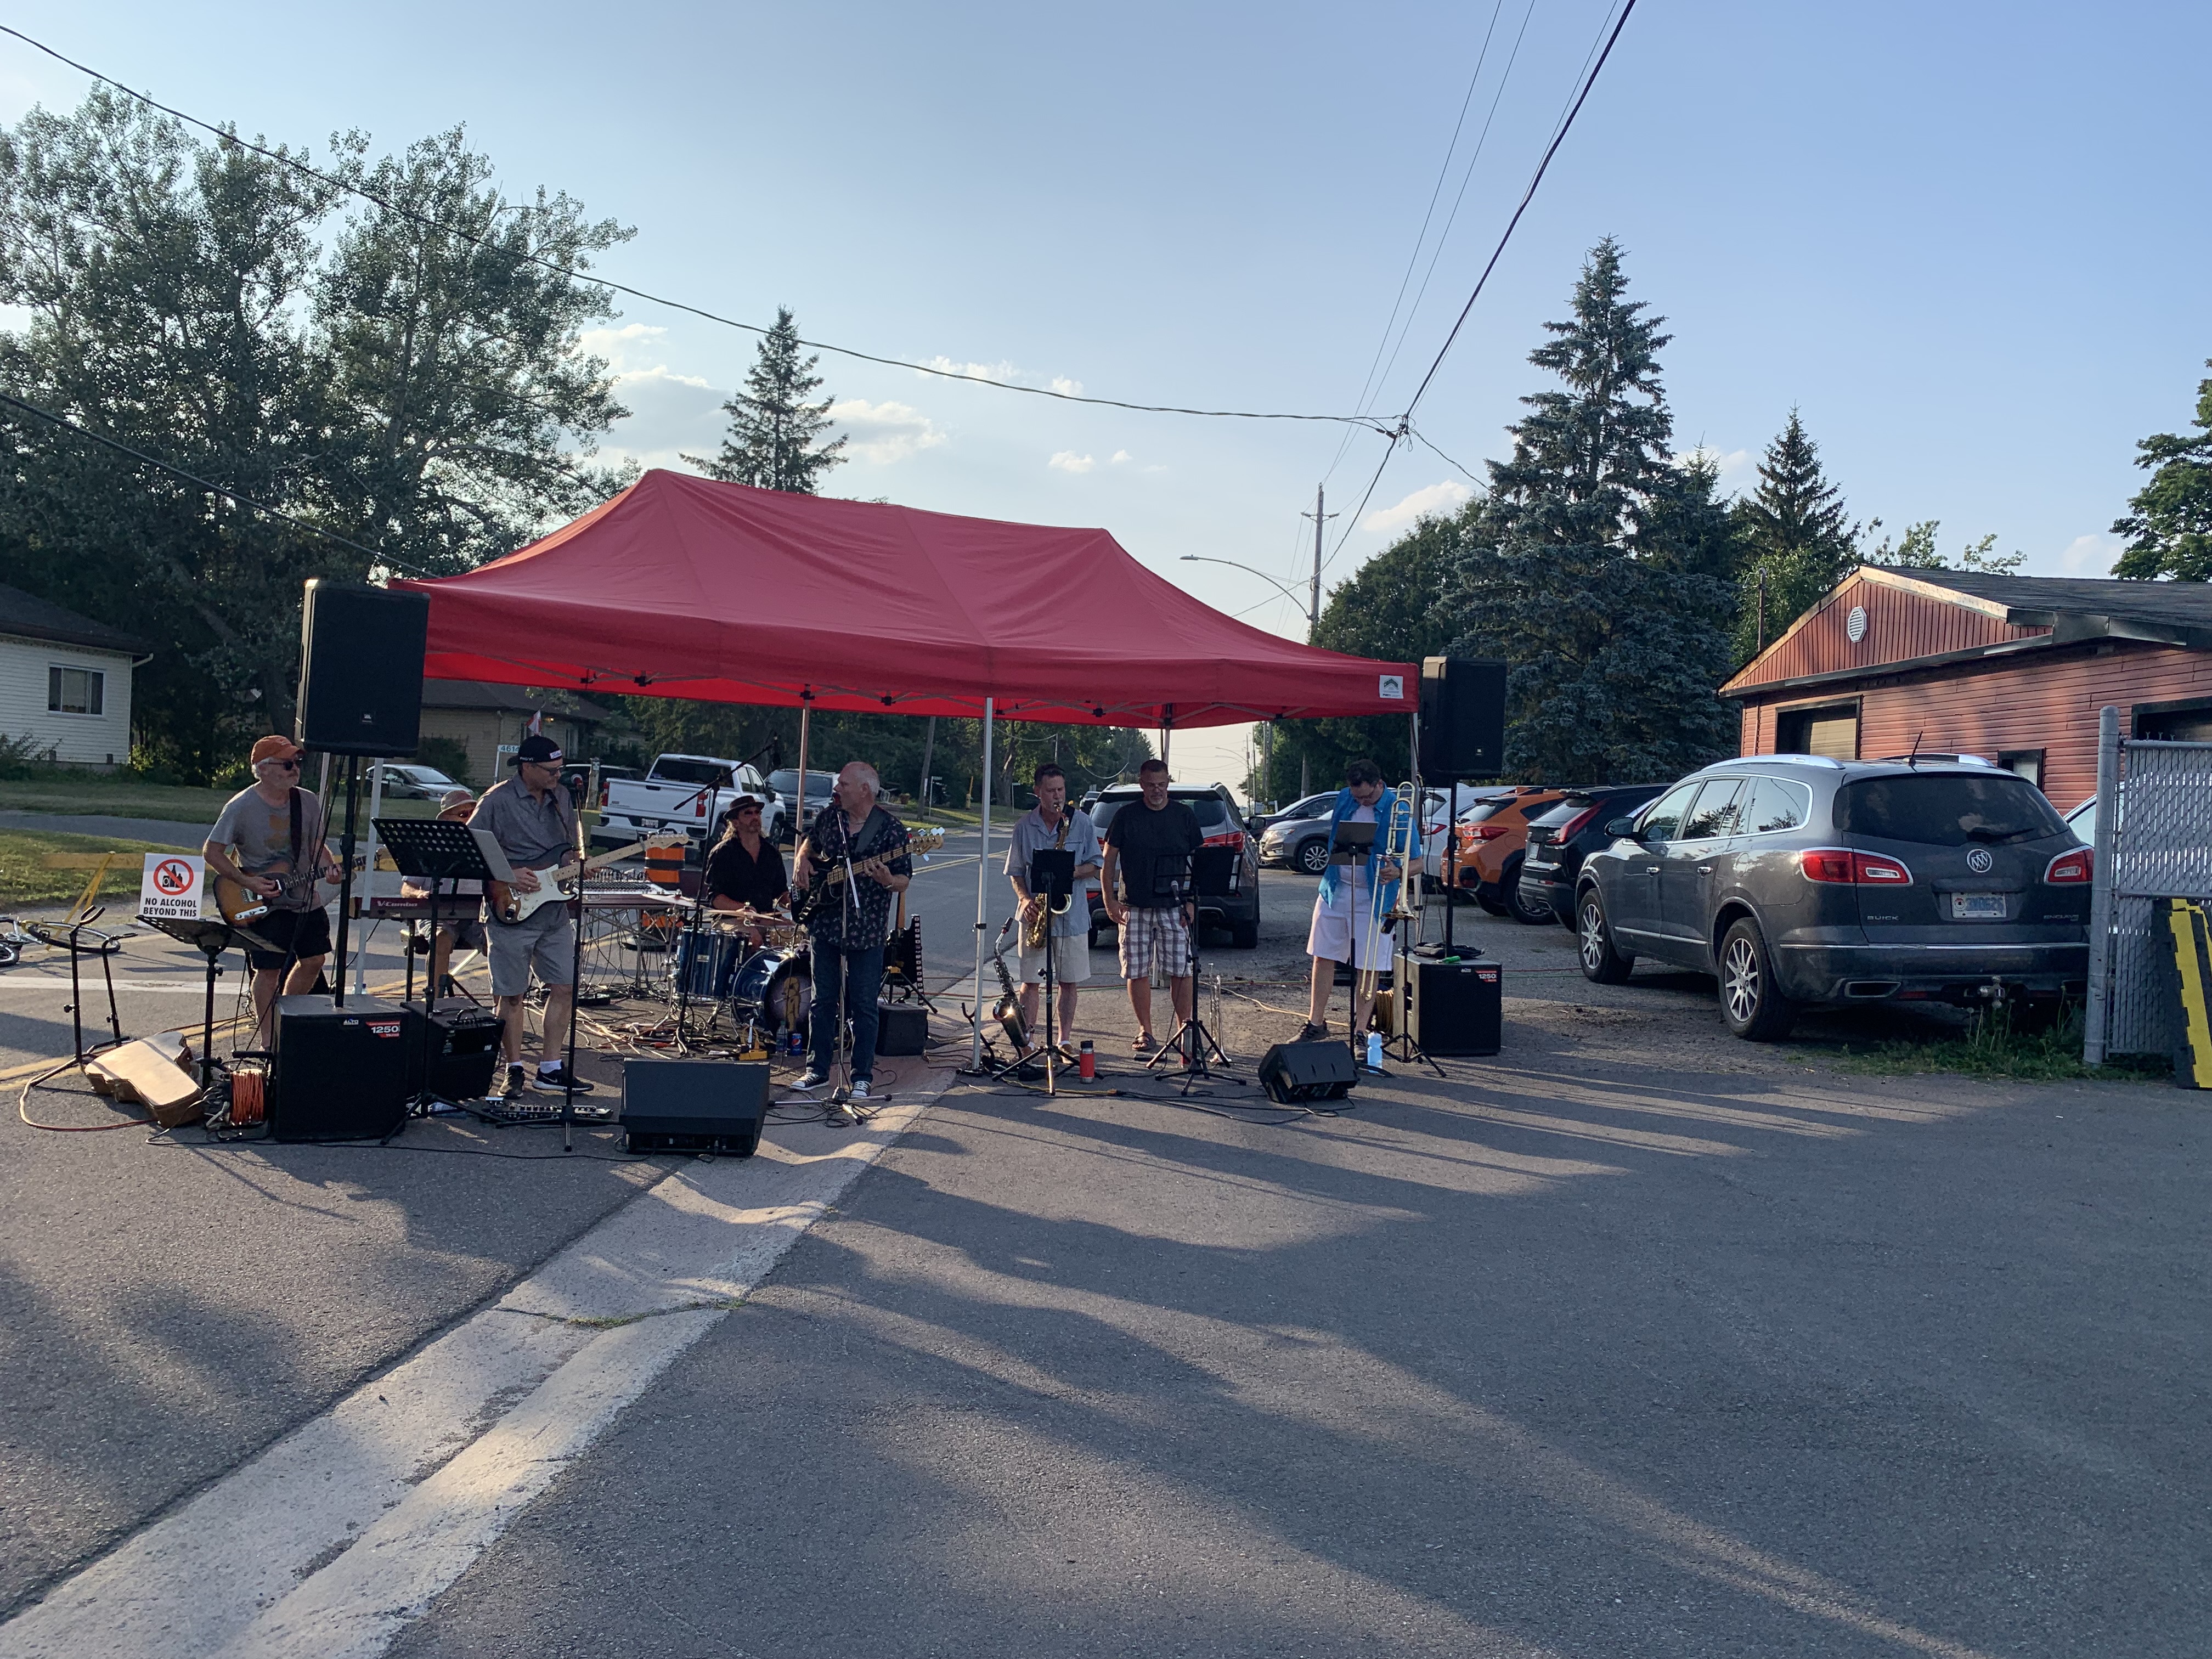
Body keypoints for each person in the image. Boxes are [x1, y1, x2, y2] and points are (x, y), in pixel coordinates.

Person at [469, 734, 591, 1101]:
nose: (558, 775)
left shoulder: (563, 798)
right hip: (511, 906)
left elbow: (567, 851)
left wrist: (576, 865)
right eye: (551, 770)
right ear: (528, 767)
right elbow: (471, 845)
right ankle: (514, 1068)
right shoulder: (497, 800)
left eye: (560, 769)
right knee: (512, 994)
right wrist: (507, 872)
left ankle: (551, 1068)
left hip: (553, 910)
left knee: (565, 986)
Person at [203, 734, 342, 1045]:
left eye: (297, 762)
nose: (295, 769)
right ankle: (269, 1039)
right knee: (268, 971)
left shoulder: (307, 801)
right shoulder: (241, 806)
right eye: (288, 763)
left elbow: (317, 845)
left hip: (304, 896)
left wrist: (330, 868)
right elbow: (212, 852)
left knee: (315, 960)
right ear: (263, 769)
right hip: (261, 902)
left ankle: (285, 1018)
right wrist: (248, 882)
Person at [790, 761, 911, 1111]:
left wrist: (887, 879)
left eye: (844, 784)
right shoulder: (831, 818)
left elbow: (904, 879)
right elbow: (809, 845)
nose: (837, 788)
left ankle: (861, 1076)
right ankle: (817, 1069)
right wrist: (801, 861)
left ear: (865, 790)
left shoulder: (890, 830)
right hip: (824, 924)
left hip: (867, 928)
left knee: (862, 1005)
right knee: (822, 1000)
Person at [1299, 758, 1417, 1050]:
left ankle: (1361, 1030)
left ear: (1380, 784)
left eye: (1367, 796)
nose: (1362, 801)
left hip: (1375, 897)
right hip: (1335, 889)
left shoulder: (1398, 808)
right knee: (1322, 955)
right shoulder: (1344, 797)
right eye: (1357, 797)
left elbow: (1417, 862)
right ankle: (1316, 1023)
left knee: (1369, 965)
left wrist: (1398, 871)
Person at [1098, 758, 1202, 1055]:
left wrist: (1192, 900)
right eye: (1151, 785)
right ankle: (1145, 1030)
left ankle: (1185, 1028)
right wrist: (1109, 899)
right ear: (1141, 784)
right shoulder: (1126, 815)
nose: (1157, 790)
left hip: (1174, 904)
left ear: (1169, 782)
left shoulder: (1184, 815)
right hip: (1134, 905)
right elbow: (1108, 861)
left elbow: (1199, 863)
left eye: (1162, 785)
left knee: (1181, 969)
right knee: (1136, 969)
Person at [1004, 761, 1102, 1056]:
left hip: (1071, 916)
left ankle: (1064, 1039)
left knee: (1069, 981)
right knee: (1030, 982)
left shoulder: (1081, 823)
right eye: (1051, 791)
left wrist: (1067, 871)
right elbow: (1016, 871)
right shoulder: (1024, 826)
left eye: (1061, 790)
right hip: (1035, 916)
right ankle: (1029, 1040)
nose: (1057, 796)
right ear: (1038, 793)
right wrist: (1024, 899)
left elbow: (1096, 864)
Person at [399, 788, 484, 997]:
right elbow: (406, 888)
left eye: (474, 814)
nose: (470, 820)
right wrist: (419, 895)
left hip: (477, 914)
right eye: (464, 815)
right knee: (442, 938)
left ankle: (501, 1011)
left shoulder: (485, 842)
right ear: (446, 819)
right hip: (438, 912)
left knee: (500, 942)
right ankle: (434, 1001)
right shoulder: (429, 845)